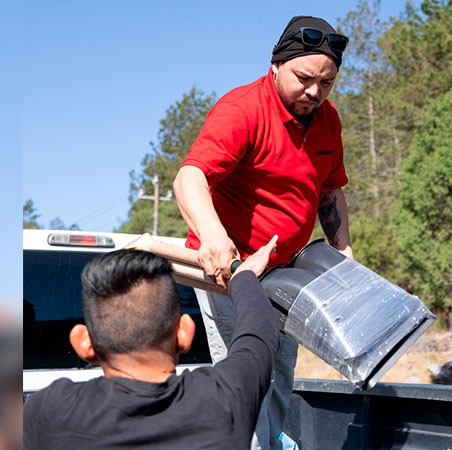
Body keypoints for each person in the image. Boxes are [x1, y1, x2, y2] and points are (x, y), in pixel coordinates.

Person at [173, 15, 352, 450]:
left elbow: (329, 190)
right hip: (229, 273)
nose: (314, 91)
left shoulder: (327, 120)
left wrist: (345, 253)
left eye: (326, 82)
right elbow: (189, 178)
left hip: (286, 274)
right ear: (276, 66)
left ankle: (268, 444)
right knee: (249, 373)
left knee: (279, 374)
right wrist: (214, 237)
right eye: (304, 78)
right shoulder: (242, 110)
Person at [23, 236, 280, 450]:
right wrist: (242, 275)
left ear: (83, 343)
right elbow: (258, 331)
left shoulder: (48, 412)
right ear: (184, 333)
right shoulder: (225, 396)